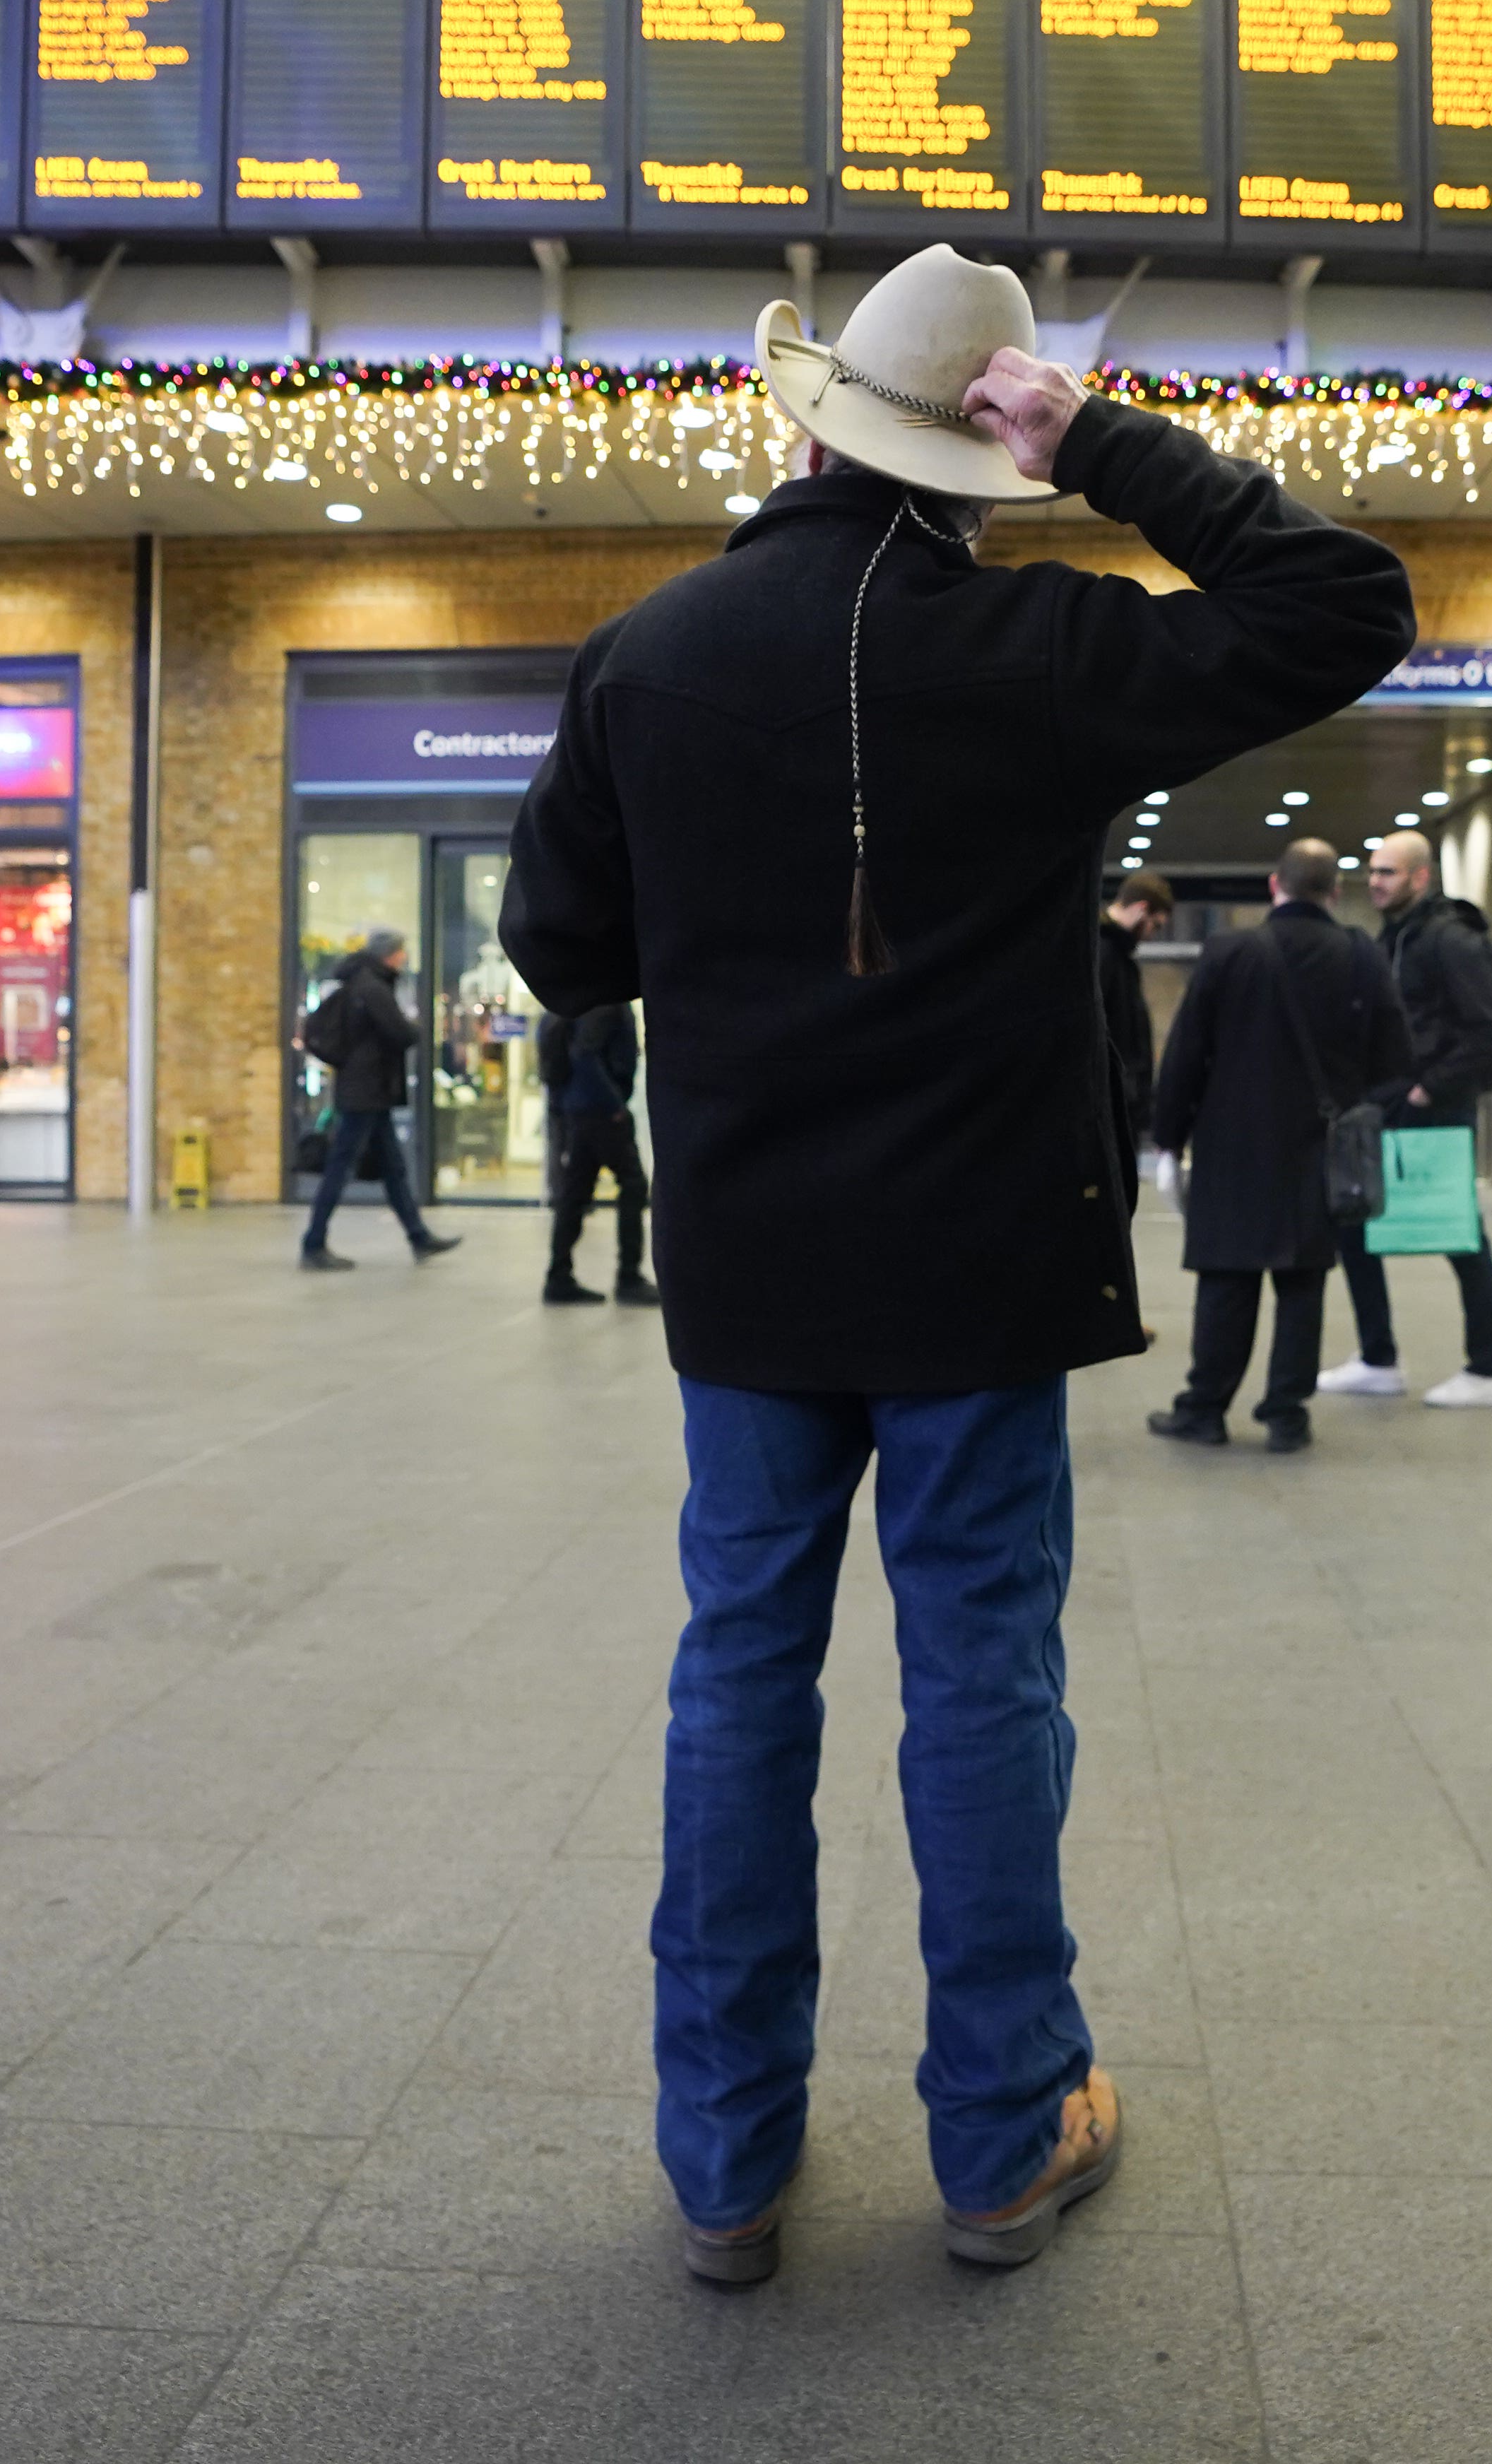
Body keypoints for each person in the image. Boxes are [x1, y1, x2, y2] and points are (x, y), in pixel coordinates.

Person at [499, 242, 1413, 2288]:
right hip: (984, 1273)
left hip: (749, 1279)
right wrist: (1103, 442)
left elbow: (561, 953)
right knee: (982, 1675)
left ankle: (726, 2163)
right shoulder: (1047, 655)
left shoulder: (645, 656)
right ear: (974, 452)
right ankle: (1003, 2142)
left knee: (738, 1673)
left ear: (809, 426)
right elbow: (1344, 602)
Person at [1147, 839, 1413, 1453]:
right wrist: (1351, 1104)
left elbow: (1185, 1054)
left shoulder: (1229, 952)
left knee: (1226, 1281)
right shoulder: (1360, 955)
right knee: (1303, 1283)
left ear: (1275, 886)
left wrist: (1169, 1140)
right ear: (1335, 892)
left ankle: (1204, 1410)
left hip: (1231, 1147)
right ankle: (1286, 1415)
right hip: (1318, 1149)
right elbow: (1396, 1059)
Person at [1322, 832, 1492, 1407]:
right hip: (1390, 1104)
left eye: (1388, 872)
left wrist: (1429, 1089)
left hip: (1432, 1108)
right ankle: (1378, 1359)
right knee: (1356, 1222)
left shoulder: (1449, 942)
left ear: (1419, 878)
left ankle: (1489, 1369)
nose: (1376, 882)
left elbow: (1489, 1032)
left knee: (1459, 1232)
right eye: (1373, 872)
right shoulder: (1398, 938)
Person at [297, 929, 458, 1271]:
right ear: (390, 954)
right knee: (340, 1167)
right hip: (366, 1092)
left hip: (369, 1090)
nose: (405, 958)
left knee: (393, 1169)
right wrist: (417, 1026)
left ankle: (419, 1237)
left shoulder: (362, 981)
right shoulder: (372, 986)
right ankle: (313, 1243)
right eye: (402, 952)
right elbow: (401, 1032)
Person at [535, 998, 656, 1308]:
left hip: (580, 1109)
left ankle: (558, 1275)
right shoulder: (604, 1003)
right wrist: (614, 1104)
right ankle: (628, 1276)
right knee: (634, 1184)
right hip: (599, 1112)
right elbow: (584, 1054)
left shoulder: (584, 998)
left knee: (575, 1192)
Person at [1097, 869, 1172, 1167]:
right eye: (1155, 925)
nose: (1151, 933)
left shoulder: (1115, 956)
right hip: (1112, 1106)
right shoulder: (1106, 954)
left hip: (1118, 1102)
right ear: (1141, 908)